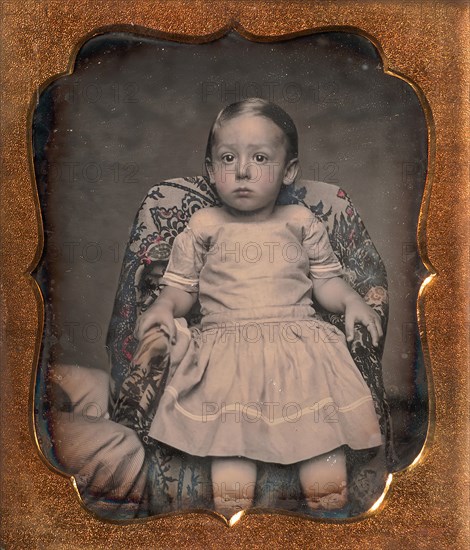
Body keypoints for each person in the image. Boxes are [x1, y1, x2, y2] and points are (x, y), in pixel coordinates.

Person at [134, 98, 383, 518]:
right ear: (212, 170)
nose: (242, 171)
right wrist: (163, 305)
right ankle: (234, 523)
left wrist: (352, 300)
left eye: (260, 158)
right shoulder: (205, 225)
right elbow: (182, 287)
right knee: (230, 450)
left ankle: (332, 519)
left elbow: (325, 282)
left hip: (299, 347)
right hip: (227, 351)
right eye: (228, 158)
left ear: (288, 171)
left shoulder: (300, 219)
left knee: (321, 447)